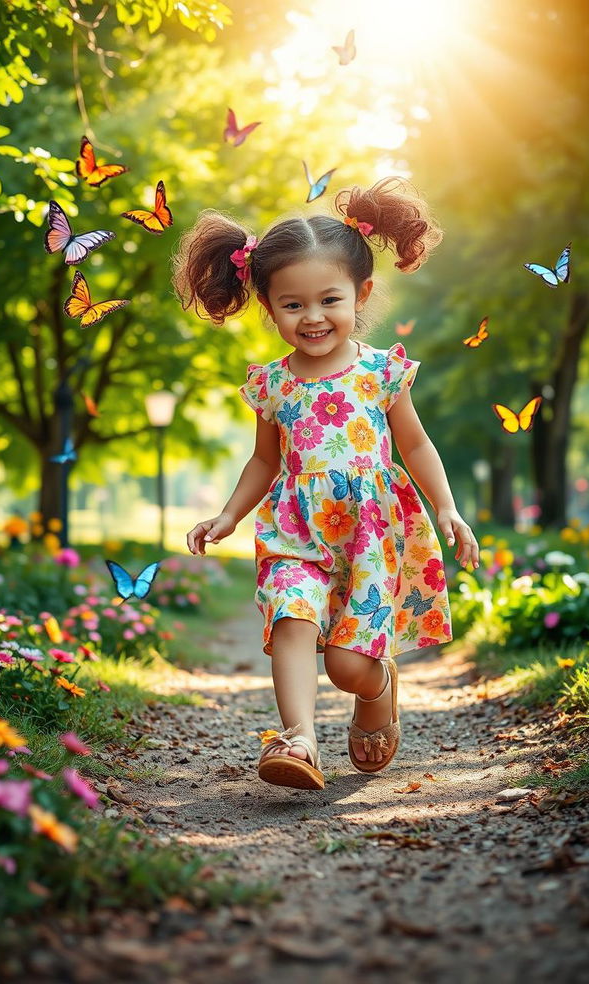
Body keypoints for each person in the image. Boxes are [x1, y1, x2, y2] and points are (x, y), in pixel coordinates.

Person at [174, 177, 480, 791]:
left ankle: (379, 684)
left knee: (347, 666)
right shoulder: (272, 384)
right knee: (289, 616)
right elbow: (264, 461)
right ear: (269, 306)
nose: (312, 317)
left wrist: (447, 508)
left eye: (328, 299)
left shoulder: (381, 372)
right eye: (292, 305)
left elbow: (414, 444)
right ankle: (300, 741)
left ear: (360, 293)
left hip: (368, 534)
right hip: (295, 526)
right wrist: (229, 515)